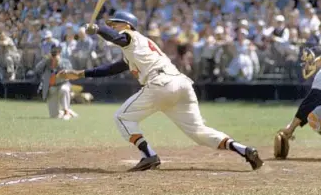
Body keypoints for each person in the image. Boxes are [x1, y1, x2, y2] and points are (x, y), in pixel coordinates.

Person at [57, 10, 264, 172]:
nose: (113, 26)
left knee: (121, 117)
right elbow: (111, 69)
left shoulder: (131, 36)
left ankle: (149, 155)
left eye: (115, 23)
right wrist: (81, 73)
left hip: (161, 83)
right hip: (181, 84)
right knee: (200, 133)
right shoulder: (136, 50)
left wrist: (100, 29)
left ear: (126, 25)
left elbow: (119, 39)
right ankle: (244, 150)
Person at [33, 43, 78, 120]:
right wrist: (46, 60)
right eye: (53, 51)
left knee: (64, 90)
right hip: (51, 87)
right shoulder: (47, 61)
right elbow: (37, 69)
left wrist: (58, 62)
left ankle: (66, 111)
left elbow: (69, 73)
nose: (54, 53)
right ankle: (67, 112)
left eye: (56, 51)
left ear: (59, 52)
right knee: (54, 116)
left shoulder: (65, 61)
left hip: (63, 84)